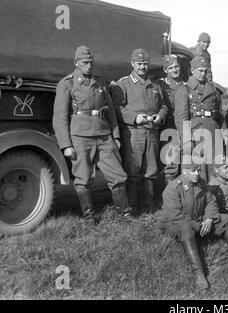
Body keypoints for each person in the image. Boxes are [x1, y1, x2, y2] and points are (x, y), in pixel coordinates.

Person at [53, 45, 131, 223]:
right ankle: (88, 216)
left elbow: (110, 111)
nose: (89, 66)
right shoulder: (67, 84)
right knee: (83, 178)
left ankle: (124, 214)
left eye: (91, 62)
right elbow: (60, 117)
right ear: (76, 63)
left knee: (117, 174)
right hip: (81, 137)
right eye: (85, 63)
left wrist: (116, 135)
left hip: (104, 135)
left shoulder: (100, 82)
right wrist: (66, 145)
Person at [162, 163, 228, 290]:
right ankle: (199, 273)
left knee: (226, 219)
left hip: (200, 220)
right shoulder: (173, 188)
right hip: (178, 224)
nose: (197, 173)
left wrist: (209, 219)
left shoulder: (201, 183)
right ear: (184, 172)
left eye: (198, 170)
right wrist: (197, 225)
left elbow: (211, 201)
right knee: (185, 228)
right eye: (193, 171)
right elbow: (176, 215)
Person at [112, 49, 168, 216]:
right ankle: (133, 208)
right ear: (132, 64)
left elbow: (164, 106)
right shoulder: (123, 84)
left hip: (152, 132)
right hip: (133, 133)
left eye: (145, 64)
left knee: (151, 171)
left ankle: (149, 205)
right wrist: (135, 118)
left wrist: (160, 116)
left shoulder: (155, 85)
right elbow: (117, 108)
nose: (142, 67)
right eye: (139, 64)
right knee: (134, 171)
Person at [174, 56, 223, 182]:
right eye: (200, 71)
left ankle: (214, 194)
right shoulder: (184, 89)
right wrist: (187, 140)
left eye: (205, 71)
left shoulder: (212, 89)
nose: (203, 74)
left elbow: (219, 114)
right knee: (198, 167)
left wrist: (223, 132)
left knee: (214, 165)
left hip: (212, 130)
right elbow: (181, 118)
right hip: (195, 132)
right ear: (192, 70)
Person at [159, 54, 184, 182]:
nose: (174, 70)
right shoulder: (161, 85)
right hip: (169, 127)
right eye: (170, 68)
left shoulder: (185, 85)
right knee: (171, 164)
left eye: (176, 67)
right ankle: (170, 196)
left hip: (184, 127)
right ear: (165, 70)